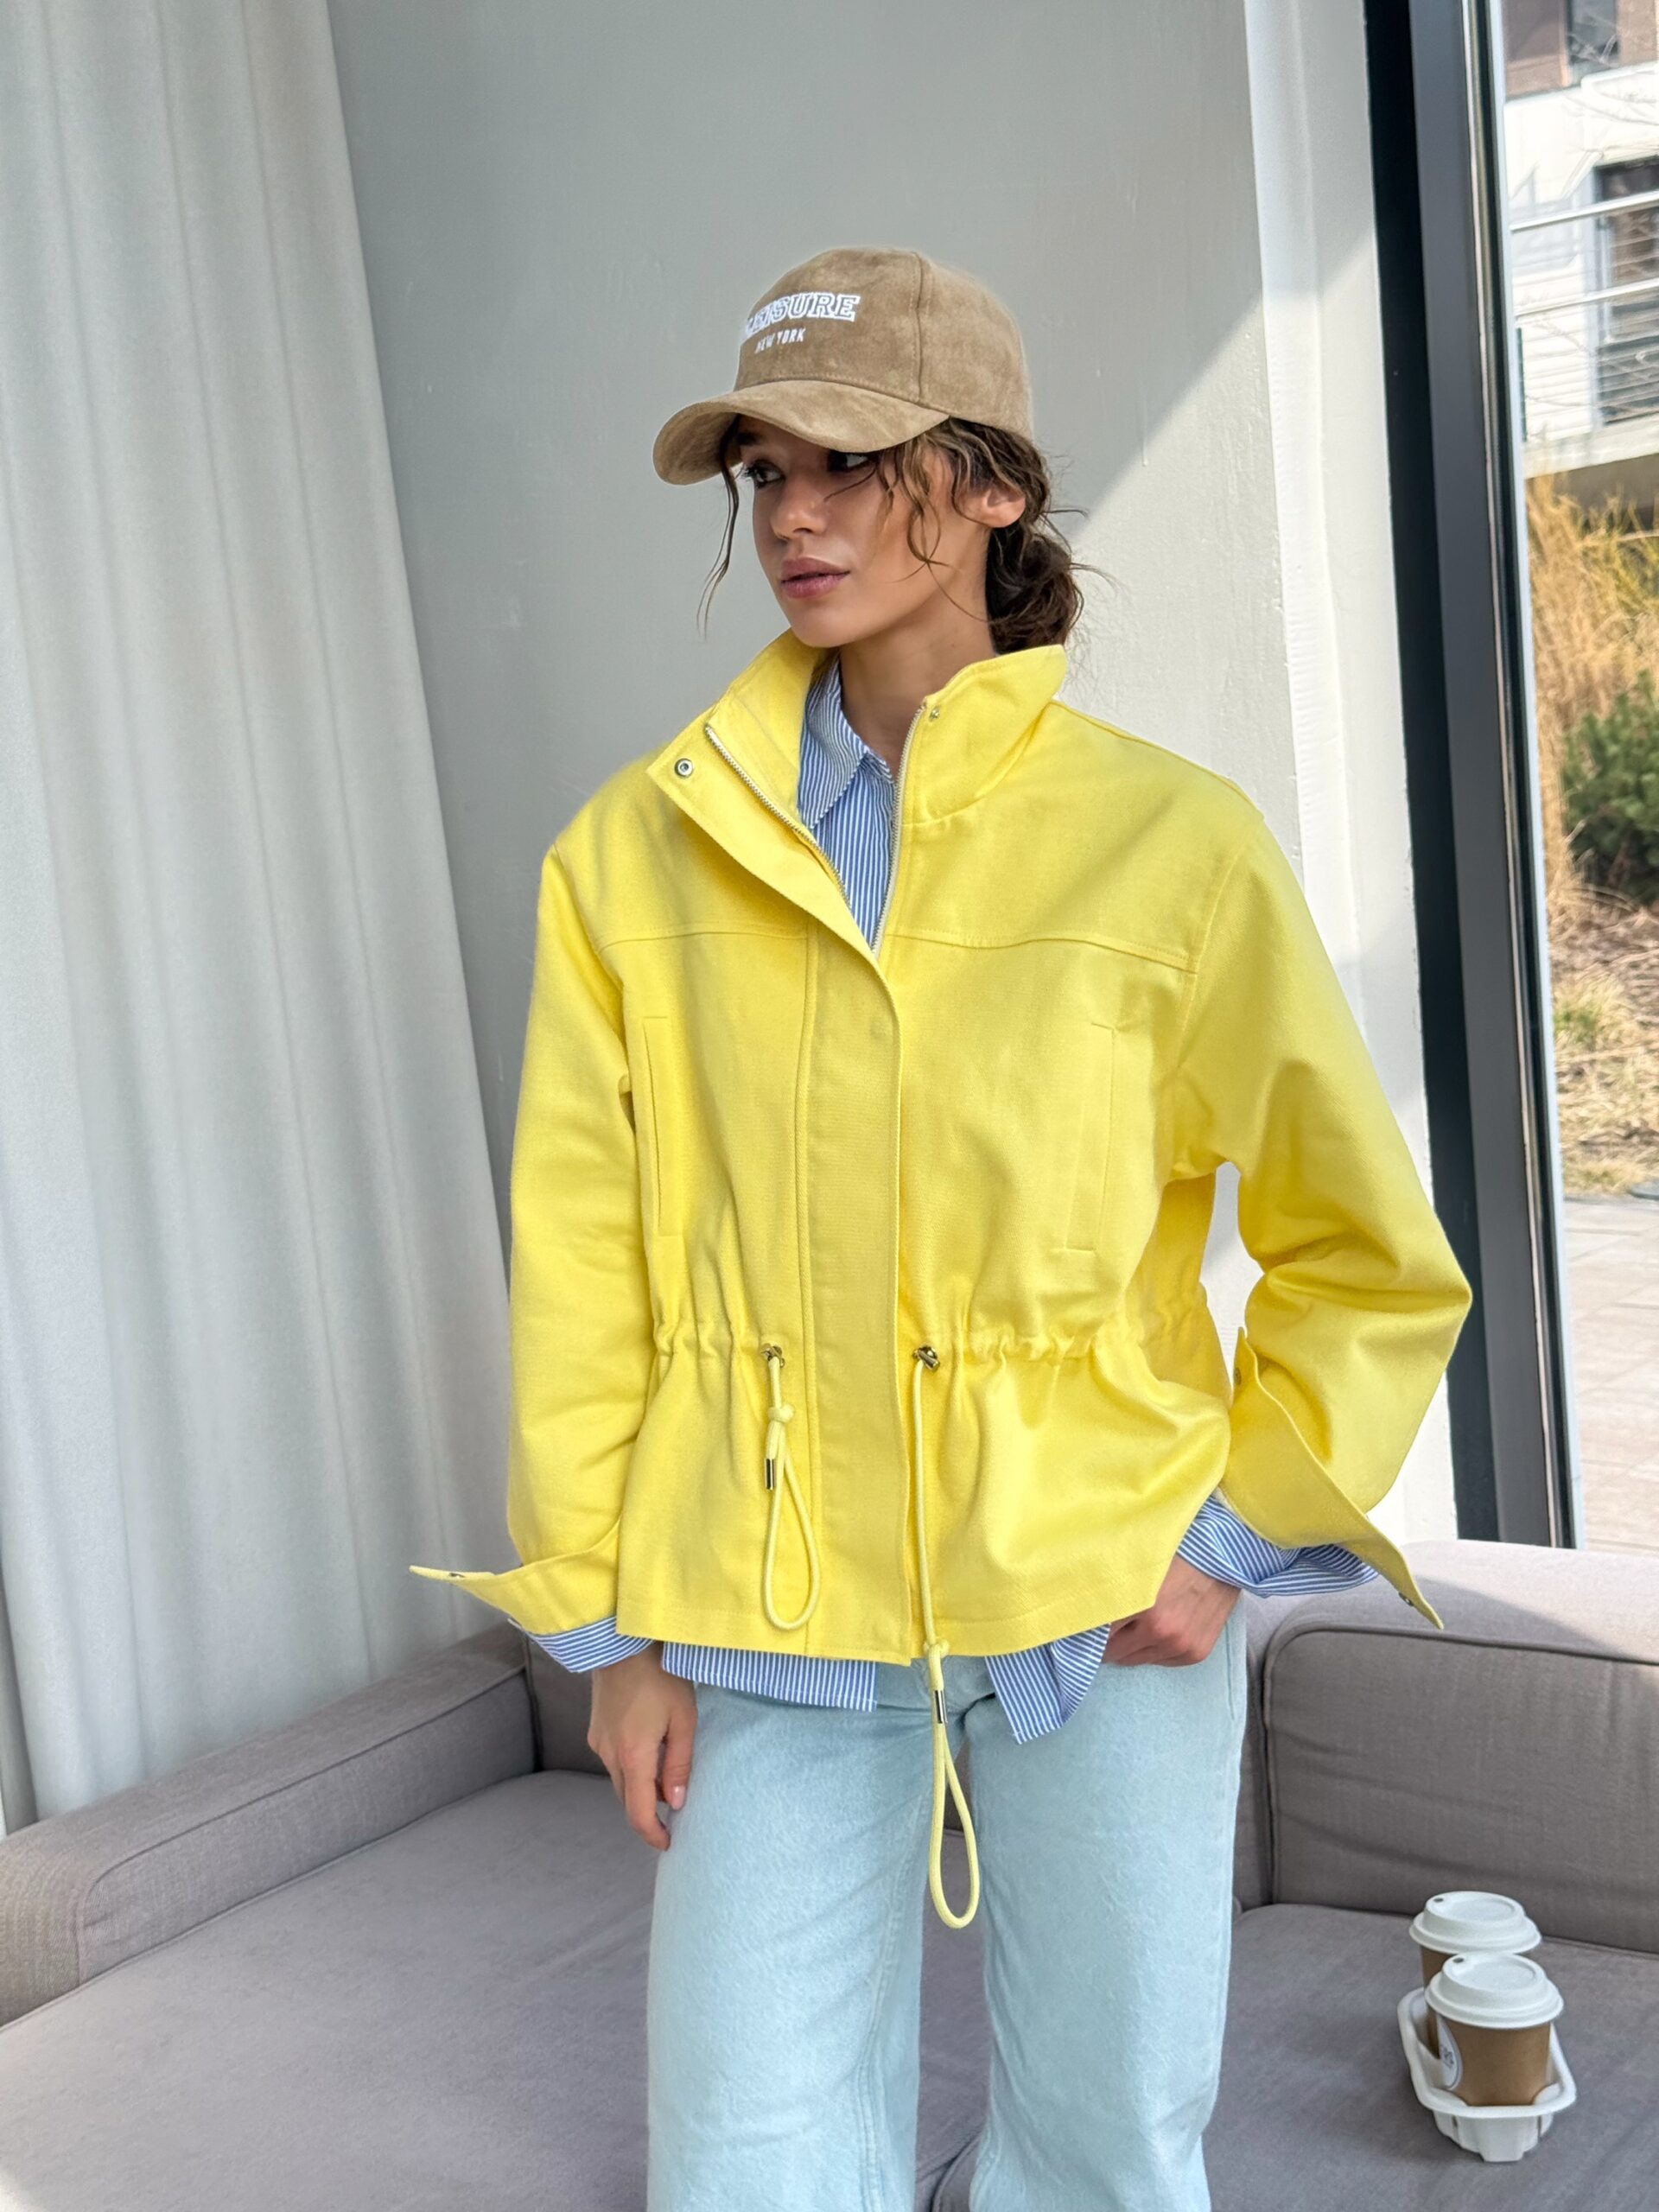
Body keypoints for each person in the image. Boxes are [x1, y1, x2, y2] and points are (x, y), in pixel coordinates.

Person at [410, 245, 1473, 2211]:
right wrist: (611, 1637)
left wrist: (1233, 1529)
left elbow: (1365, 1245)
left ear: (989, 485)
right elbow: (583, 1280)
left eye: (849, 459)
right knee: (745, 2158)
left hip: (1098, 1581)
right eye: (764, 473)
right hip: (763, 1598)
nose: (793, 515)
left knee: (1110, 2143)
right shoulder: (631, 858)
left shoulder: (1171, 845)